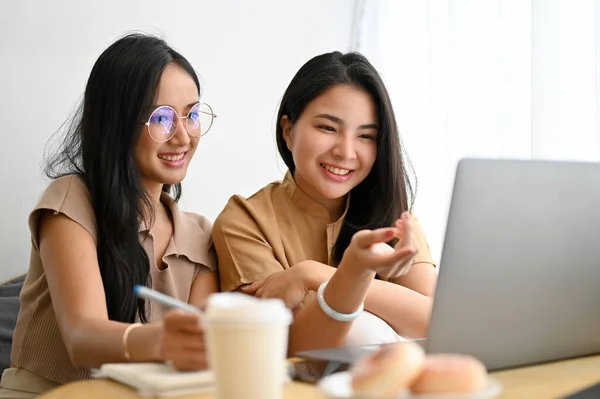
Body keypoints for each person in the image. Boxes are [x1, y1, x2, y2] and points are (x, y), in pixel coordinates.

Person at [0, 33, 218, 398]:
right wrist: (163, 340)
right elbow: (82, 338)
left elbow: (195, 361)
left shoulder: (200, 234)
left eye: (192, 115)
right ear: (117, 122)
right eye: (161, 118)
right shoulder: (72, 200)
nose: (183, 136)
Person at [212, 51, 437, 355]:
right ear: (288, 131)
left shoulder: (394, 217)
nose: (346, 152)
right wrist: (354, 275)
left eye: (366, 136)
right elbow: (295, 348)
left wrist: (311, 274)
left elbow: (435, 322)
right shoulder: (244, 220)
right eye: (328, 128)